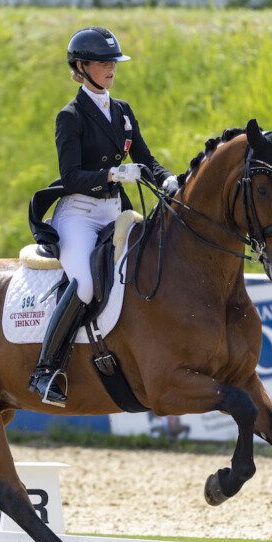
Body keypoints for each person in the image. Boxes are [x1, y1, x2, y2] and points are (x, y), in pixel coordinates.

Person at [28, 26, 179, 408]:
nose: (111, 68)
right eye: (102, 62)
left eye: (113, 62)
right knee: (83, 284)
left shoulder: (123, 111)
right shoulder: (71, 116)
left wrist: (169, 180)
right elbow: (71, 176)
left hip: (114, 211)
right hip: (78, 213)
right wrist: (111, 174)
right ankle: (46, 370)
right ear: (81, 67)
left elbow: (145, 158)